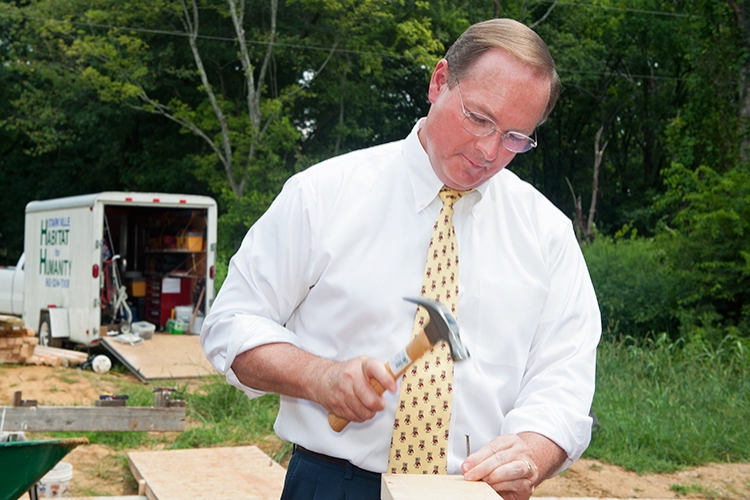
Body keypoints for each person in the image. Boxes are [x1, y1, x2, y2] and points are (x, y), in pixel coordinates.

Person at [201, 18, 601, 500]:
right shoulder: (324, 195)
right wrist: (320, 377)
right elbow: (231, 323)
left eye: (516, 137)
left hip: (471, 492)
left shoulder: (548, 235)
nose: (489, 151)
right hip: (334, 485)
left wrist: (531, 454)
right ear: (438, 82)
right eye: (479, 118)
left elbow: (564, 381)